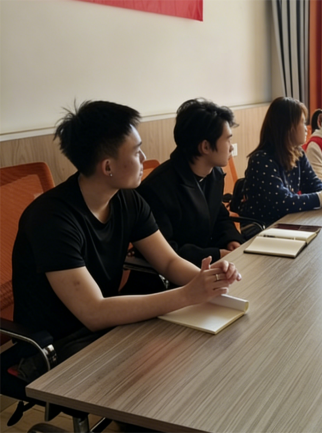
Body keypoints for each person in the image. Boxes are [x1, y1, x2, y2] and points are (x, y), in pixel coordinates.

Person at [12, 101, 242, 378]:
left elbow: (168, 262)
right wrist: (187, 294)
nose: (144, 157)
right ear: (108, 166)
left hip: (110, 326)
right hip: (55, 346)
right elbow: (93, 312)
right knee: (174, 375)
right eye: (136, 151)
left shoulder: (128, 199)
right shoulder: (51, 219)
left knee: (198, 360)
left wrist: (208, 281)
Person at [137, 98, 245, 266]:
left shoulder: (214, 173)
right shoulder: (156, 189)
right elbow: (166, 251)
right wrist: (216, 254)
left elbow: (219, 216)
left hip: (209, 265)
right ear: (205, 147)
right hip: (176, 274)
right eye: (228, 140)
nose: (231, 147)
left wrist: (231, 240)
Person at [237, 97, 322, 224]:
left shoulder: (297, 153)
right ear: (288, 127)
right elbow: (283, 202)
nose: (306, 128)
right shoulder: (261, 160)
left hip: (287, 221)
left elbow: (312, 183)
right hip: (263, 227)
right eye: (302, 122)